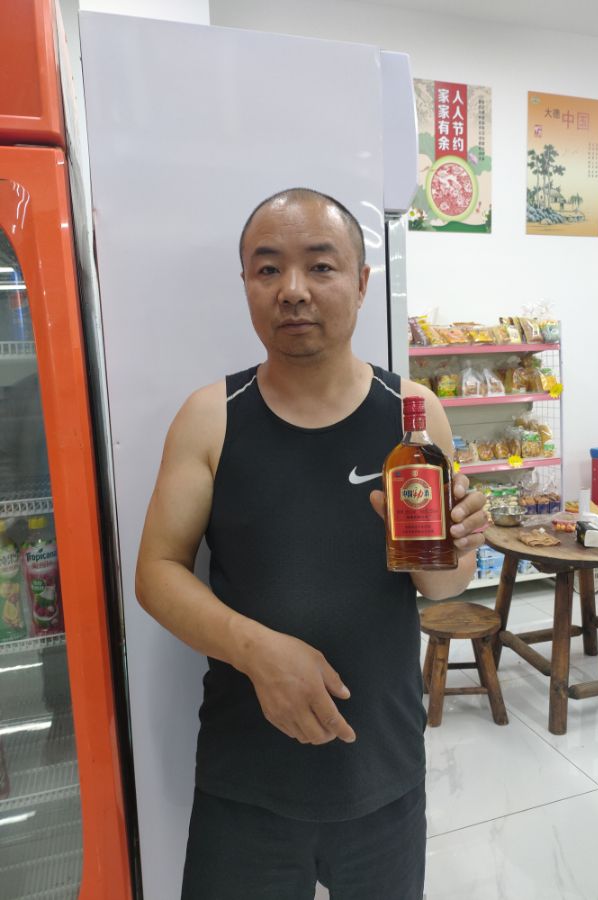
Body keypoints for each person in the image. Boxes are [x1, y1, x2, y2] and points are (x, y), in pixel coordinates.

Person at [135, 188, 487, 900]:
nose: (291, 290)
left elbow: (441, 588)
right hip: (246, 775)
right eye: (267, 269)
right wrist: (257, 651)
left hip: (381, 764)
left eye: (320, 266)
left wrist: (459, 547)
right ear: (245, 283)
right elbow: (157, 571)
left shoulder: (412, 417)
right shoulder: (211, 417)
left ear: (361, 282)